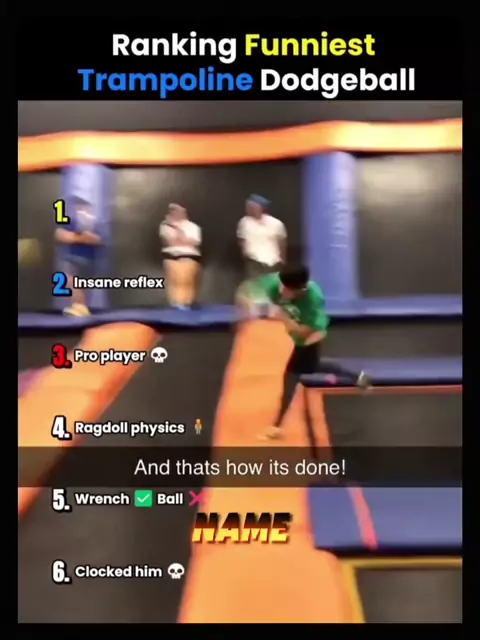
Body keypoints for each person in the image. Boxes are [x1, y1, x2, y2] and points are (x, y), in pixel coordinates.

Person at [237, 264, 371, 440]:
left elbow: (305, 332)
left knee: (291, 375)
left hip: (310, 337)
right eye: (282, 286)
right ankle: (358, 377)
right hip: (297, 329)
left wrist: (282, 317)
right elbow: (246, 289)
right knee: (313, 366)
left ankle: (276, 426)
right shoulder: (275, 283)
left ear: (301, 289)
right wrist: (248, 306)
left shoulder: (313, 301)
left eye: (288, 290)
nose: (282, 292)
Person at [54, 198, 101, 317]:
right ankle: (79, 307)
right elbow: (60, 235)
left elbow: (96, 240)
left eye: (85, 208)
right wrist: (81, 238)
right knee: (72, 280)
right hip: (73, 258)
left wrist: (78, 237)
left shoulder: (95, 224)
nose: (82, 210)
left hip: (88, 260)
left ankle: (81, 308)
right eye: (80, 208)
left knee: (81, 286)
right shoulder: (71, 223)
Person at [159, 203, 202, 309]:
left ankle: (187, 303)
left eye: (178, 211)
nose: (175, 213)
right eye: (173, 211)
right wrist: (182, 239)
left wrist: (179, 231)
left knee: (186, 281)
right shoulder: (165, 226)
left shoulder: (193, 227)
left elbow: (193, 242)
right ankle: (175, 303)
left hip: (189, 257)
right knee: (173, 282)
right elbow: (171, 241)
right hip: (171, 257)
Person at [237, 195, 287, 281]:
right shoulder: (244, 222)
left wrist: (283, 259)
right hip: (254, 261)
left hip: (273, 261)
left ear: (260, 208)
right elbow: (242, 239)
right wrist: (245, 253)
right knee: (256, 285)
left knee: (272, 283)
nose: (248, 209)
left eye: (252, 206)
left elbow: (281, 242)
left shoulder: (276, 223)